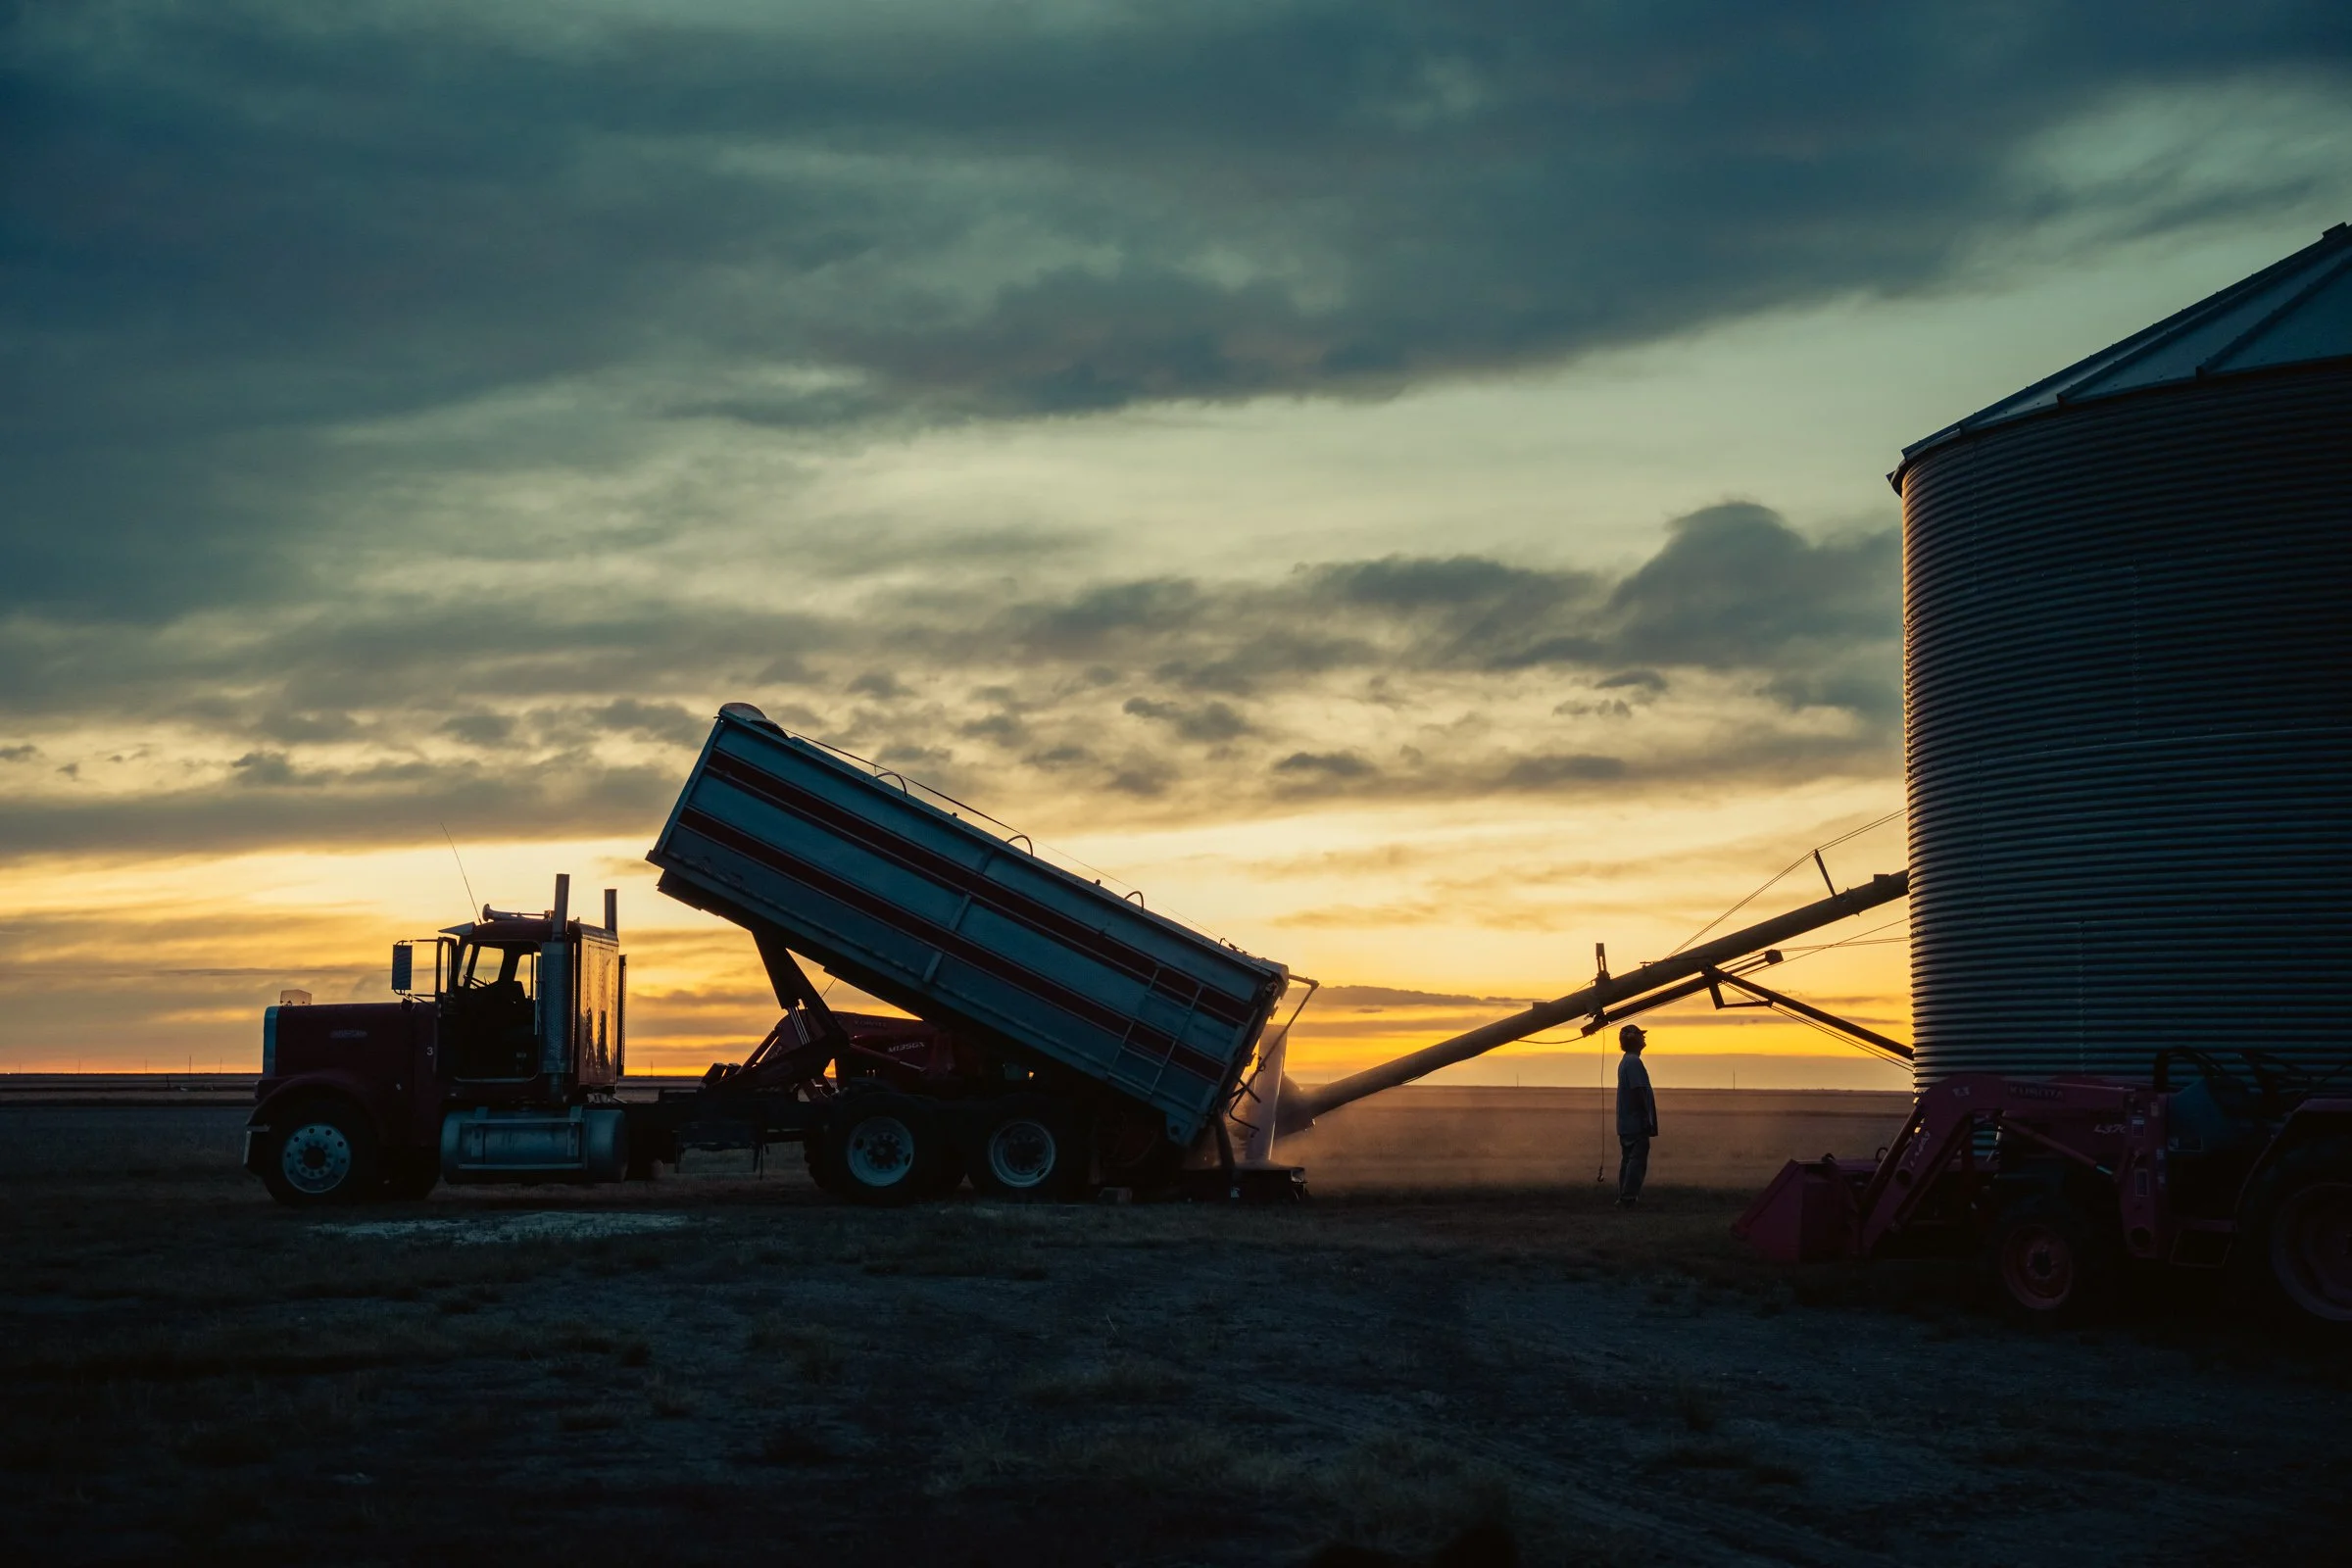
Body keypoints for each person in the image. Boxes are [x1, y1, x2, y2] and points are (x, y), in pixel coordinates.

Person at [1616, 1023, 1658, 1207]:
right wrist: (1645, 1118)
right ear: (1634, 1040)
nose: (1644, 1038)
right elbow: (1638, 1091)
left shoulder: (1626, 1061)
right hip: (1635, 1122)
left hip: (1627, 1121)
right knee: (1636, 1160)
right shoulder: (1634, 1063)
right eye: (1641, 1035)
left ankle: (1625, 1196)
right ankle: (1628, 1198)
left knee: (1628, 1159)